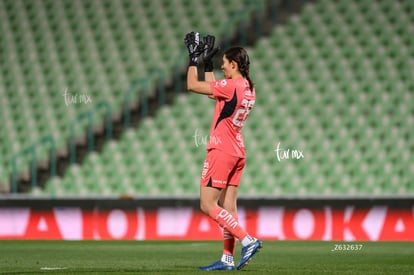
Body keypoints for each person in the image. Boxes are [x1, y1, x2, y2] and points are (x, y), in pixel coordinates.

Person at [184, 31, 262, 271]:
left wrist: (193, 59)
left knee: (208, 205)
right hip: (238, 150)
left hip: (222, 149)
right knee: (229, 208)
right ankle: (228, 259)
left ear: (235, 64)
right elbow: (214, 93)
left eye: (224, 64)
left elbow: (192, 85)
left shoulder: (231, 85)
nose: (222, 67)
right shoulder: (248, 87)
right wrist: (207, 63)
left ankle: (248, 240)